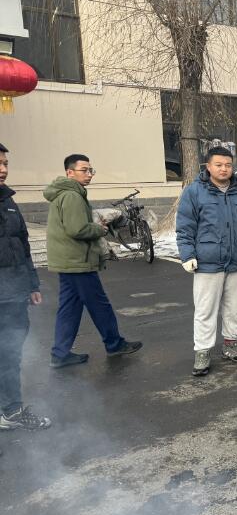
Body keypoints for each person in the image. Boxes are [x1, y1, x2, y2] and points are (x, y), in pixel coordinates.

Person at [44, 154, 142, 367]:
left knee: (69, 307)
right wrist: (99, 229)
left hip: (68, 260)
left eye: (91, 170)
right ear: (70, 172)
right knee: (99, 304)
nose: (89, 174)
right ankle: (114, 344)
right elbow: (77, 229)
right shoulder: (72, 196)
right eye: (84, 170)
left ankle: (60, 353)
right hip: (77, 260)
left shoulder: (64, 193)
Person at [176, 146, 237, 377]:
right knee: (205, 309)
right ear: (208, 166)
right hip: (208, 261)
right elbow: (185, 226)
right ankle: (202, 351)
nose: (224, 169)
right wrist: (187, 254)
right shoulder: (194, 192)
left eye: (228, 165)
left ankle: (230, 345)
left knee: (234, 308)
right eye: (219, 165)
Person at [0, 143, 51, 431]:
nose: (3, 169)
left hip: (13, 294)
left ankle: (10, 411)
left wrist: (32, 284)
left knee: (10, 354)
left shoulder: (9, 202)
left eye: (5, 163)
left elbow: (23, 245)